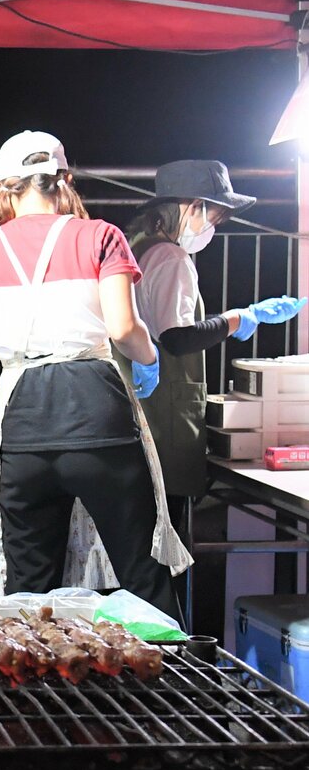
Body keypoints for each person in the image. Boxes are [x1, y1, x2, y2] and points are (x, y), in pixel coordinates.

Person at [0, 131, 187, 619]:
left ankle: (29, 691)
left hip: (21, 420)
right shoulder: (101, 236)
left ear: (4, 187)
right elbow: (123, 328)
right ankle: (169, 684)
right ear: (64, 181)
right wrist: (151, 360)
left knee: (26, 588)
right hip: (98, 413)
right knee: (141, 571)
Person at [117, 160, 304, 542]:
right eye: (214, 216)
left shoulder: (136, 247)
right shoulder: (170, 257)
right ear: (190, 206)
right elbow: (178, 337)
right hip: (165, 413)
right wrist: (241, 318)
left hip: (132, 412)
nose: (214, 226)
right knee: (165, 545)